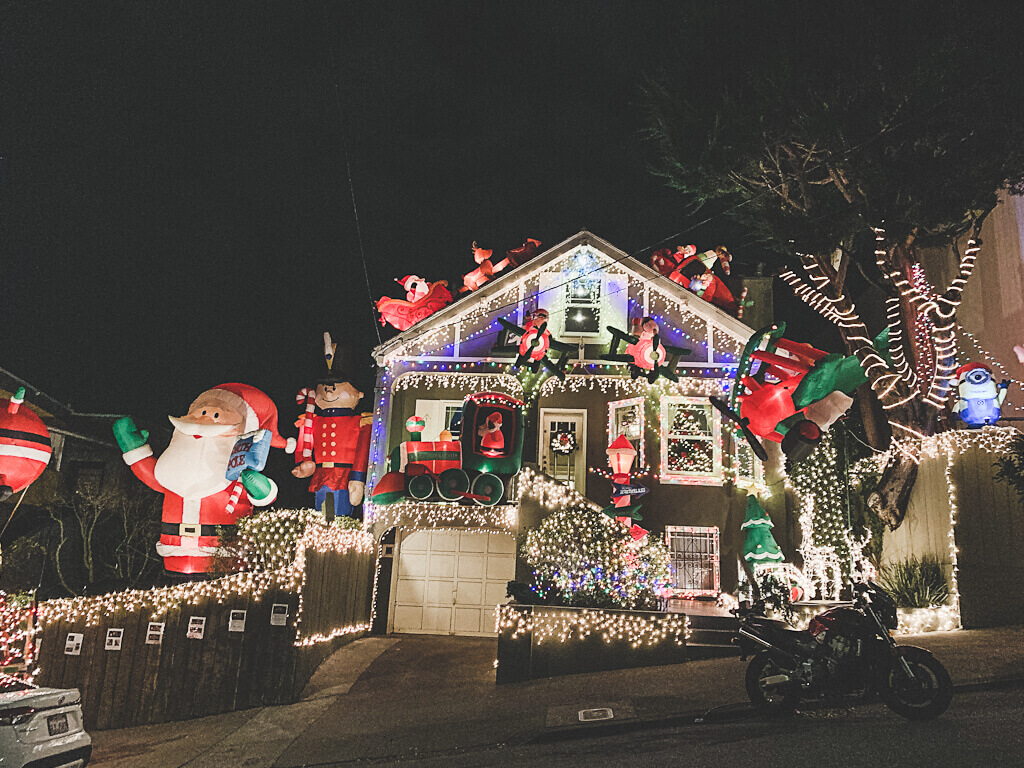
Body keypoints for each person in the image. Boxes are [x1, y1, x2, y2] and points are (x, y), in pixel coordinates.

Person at [113, 383, 293, 575]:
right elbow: (155, 477)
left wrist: (258, 486)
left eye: (216, 415)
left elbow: (265, 495)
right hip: (174, 554)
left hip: (223, 555)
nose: (203, 419)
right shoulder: (171, 471)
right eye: (201, 411)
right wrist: (134, 449)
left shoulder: (235, 476)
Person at [293, 333, 372, 517]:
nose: (328, 395)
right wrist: (303, 462)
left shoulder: (361, 422)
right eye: (325, 388)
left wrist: (357, 478)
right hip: (321, 474)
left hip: (345, 475)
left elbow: (362, 452)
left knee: (339, 515)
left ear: (358, 393)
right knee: (321, 514)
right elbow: (304, 443)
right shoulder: (312, 419)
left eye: (335, 388)